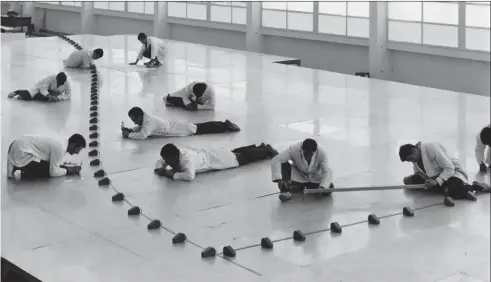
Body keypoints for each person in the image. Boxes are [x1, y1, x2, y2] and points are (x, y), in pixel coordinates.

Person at [399, 142, 484, 200]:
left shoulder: (431, 148)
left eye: (411, 159)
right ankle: (444, 188)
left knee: (450, 189)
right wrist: (413, 178)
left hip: (452, 174)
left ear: (414, 150)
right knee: (411, 181)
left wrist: (436, 181)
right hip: (434, 177)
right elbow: (421, 173)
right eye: (409, 161)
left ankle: (473, 187)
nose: (412, 162)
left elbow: (449, 168)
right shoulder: (416, 159)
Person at [154, 143, 278, 182]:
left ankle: (266, 151)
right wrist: (160, 167)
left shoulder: (187, 159)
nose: (166, 162)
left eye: (167, 159)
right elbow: (161, 160)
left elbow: (190, 176)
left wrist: (172, 175)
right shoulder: (177, 153)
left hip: (218, 160)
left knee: (242, 158)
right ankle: (259, 147)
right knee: (236, 153)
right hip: (212, 155)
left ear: (174, 155)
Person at [121, 107, 240, 140]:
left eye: (134, 120)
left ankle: (225, 126)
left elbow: (143, 135)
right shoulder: (146, 119)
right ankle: (224, 125)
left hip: (180, 129)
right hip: (178, 126)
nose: (134, 122)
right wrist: (132, 129)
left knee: (204, 128)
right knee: (202, 127)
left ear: (140, 116)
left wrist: (129, 135)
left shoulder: (149, 121)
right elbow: (142, 129)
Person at [7, 134, 86, 180]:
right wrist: (68, 171)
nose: (77, 153)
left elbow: (52, 162)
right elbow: (53, 172)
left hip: (16, 144)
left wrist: (63, 167)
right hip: (22, 153)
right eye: (78, 149)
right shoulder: (61, 148)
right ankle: (19, 167)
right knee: (45, 171)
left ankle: (14, 163)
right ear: (73, 144)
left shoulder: (62, 141)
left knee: (47, 164)